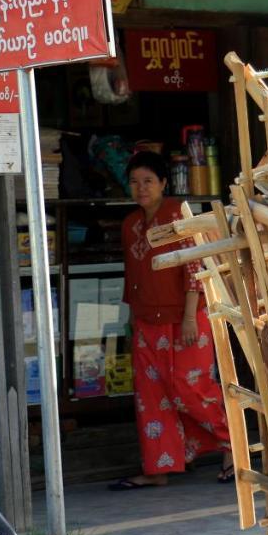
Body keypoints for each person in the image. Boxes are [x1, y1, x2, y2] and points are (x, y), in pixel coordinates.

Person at [109, 151, 232, 490]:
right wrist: (133, 319)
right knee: (151, 396)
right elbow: (132, 275)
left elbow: (196, 267)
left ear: (164, 183)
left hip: (186, 319)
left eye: (148, 181)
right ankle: (157, 468)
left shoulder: (179, 215)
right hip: (146, 321)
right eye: (134, 182)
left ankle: (233, 448)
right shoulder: (129, 224)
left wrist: (191, 316)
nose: (141, 188)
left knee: (191, 389)